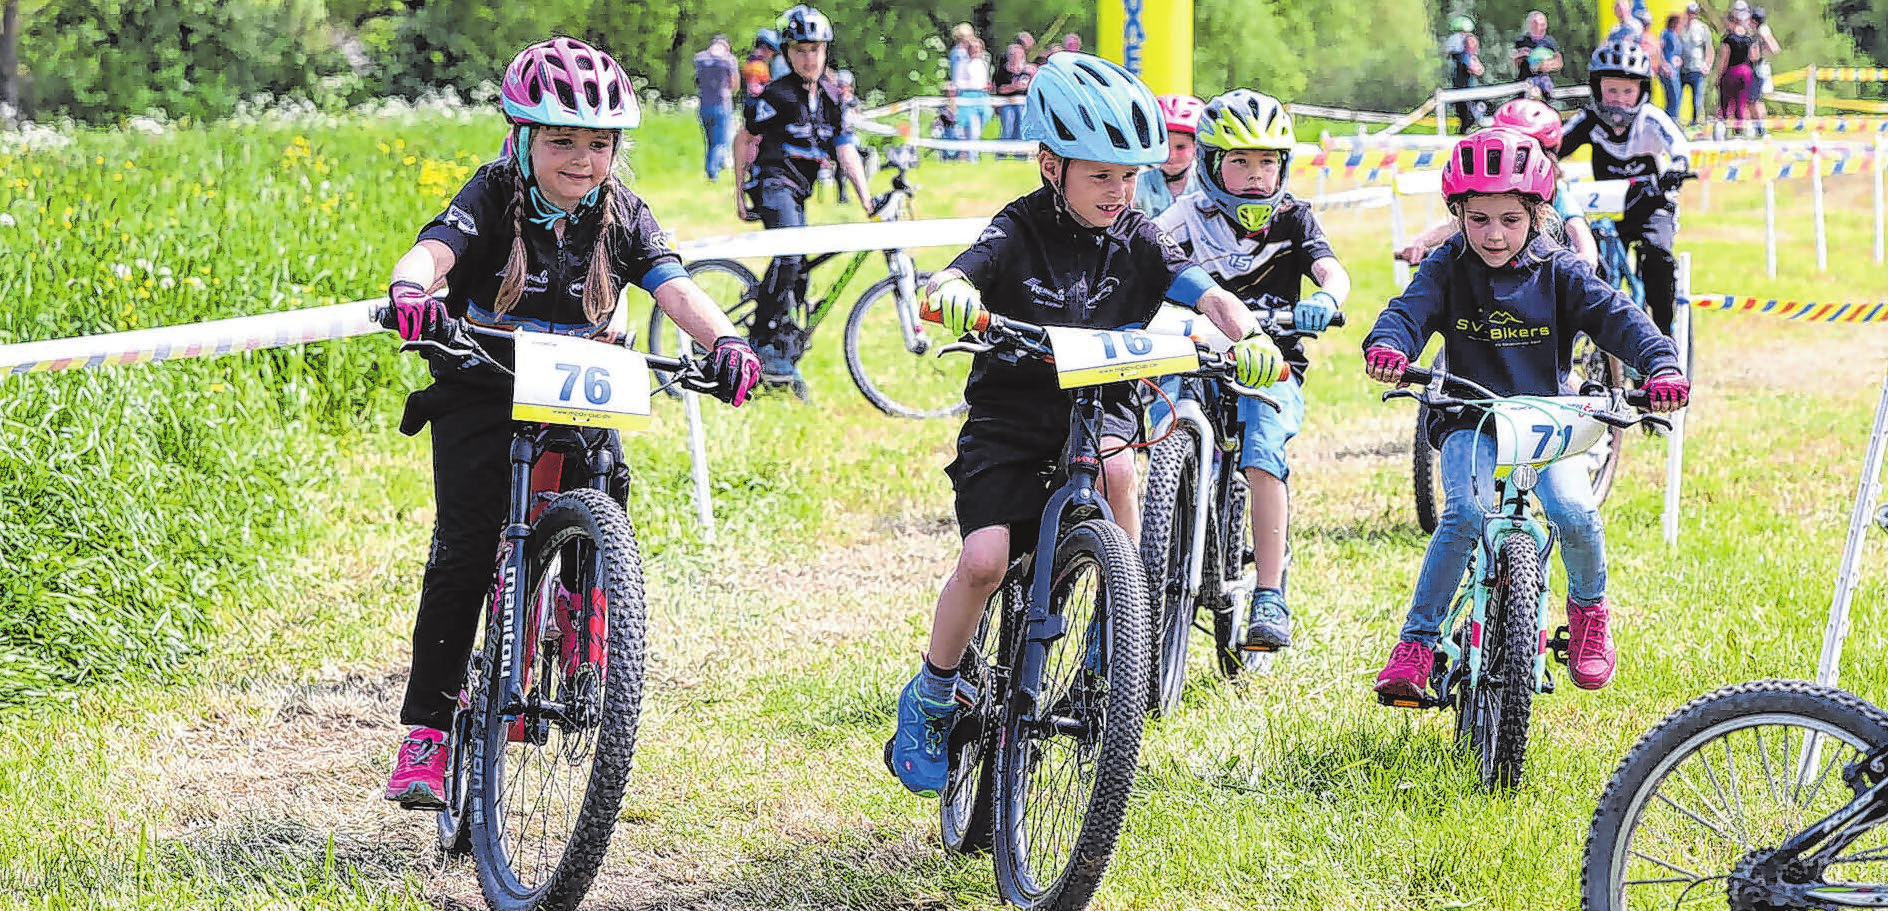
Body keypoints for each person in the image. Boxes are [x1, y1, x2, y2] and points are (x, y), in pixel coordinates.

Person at [882, 53, 1287, 797]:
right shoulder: (1018, 227)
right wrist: (950, 295)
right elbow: (958, 273)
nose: (1119, 191)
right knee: (984, 559)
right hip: (1013, 414)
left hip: (1102, 404)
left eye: (1129, 175)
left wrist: (1248, 335)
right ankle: (933, 692)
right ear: (1050, 165)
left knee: (1121, 468)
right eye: (1100, 175)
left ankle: (1116, 621)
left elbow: (1206, 293)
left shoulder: (1137, 232)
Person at [379, 37, 761, 810]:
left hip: (580, 383)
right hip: (485, 380)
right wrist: (408, 288)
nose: (582, 159)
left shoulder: (620, 212)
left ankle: (580, 598)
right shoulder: (491, 192)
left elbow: (675, 286)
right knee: (464, 549)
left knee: (605, 492)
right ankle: (425, 730)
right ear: (523, 139)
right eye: (561, 140)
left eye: (598, 143)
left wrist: (723, 340)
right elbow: (434, 251)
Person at [1362, 129, 1690, 703]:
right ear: (1457, 213)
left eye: (1511, 219)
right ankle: (1417, 644)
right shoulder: (1447, 267)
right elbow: (1406, 312)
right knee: (1463, 514)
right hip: (1469, 414)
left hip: (1548, 415)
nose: (1494, 234)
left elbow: (1617, 316)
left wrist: (1659, 365)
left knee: (1576, 511)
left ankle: (1589, 614)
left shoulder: (1559, 270)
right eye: (1479, 217)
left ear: (1538, 214)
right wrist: (1390, 347)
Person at [1152, 90, 1352, 651]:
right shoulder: (1187, 215)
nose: (1255, 176)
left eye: (1268, 161)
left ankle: (1269, 592)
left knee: (1263, 451)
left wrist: (1327, 298)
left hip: (1272, 364)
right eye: (1239, 161)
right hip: (1197, 357)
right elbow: (1144, 257)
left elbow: (1333, 272)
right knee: (1148, 425)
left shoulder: (1294, 218)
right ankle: (1138, 562)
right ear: (1212, 164)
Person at [733, 4, 874, 392]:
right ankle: (760, 342)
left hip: (799, 191)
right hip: (772, 183)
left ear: (826, 51)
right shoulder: (776, 95)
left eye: (816, 49)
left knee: (799, 270)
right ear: (787, 53)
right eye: (800, 50)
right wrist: (738, 195)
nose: (809, 58)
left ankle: (781, 344)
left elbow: (845, 148)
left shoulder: (831, 97)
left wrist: (866, 199)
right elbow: (744, 138)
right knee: (791, 255)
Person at [1562, 36, 1692, 337]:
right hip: (1607, 209)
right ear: (1598, 90)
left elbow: (1679, 147)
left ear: (1641, 92)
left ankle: (1663, 332)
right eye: (1611, 90)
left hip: (1651, 205)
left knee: (1657, 255)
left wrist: (1677, 168)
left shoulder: (1650, 119)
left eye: (1627, 91)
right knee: (1589, 262)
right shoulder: (1589, 120)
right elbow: (1554, 143)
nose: (1619, 98)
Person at [1398, 99, 1597, 270]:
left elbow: (1577, 226)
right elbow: (1454, 225)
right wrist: (1420, 242)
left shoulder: (1555, 192)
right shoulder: (1484, 191)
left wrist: (1586, 257)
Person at [1133, 93, 1203, 217]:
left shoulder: (1205, 186)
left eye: (1180, 147)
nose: (1171, 156)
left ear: (1196, 147)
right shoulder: (1138, 184)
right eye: (1164, 146)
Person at [693, 35, 740, 182]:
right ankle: (712, 172)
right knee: (721, 142)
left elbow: (697, 81)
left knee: (710, 141)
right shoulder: (728, 61)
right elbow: (734, 83)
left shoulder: (701, 59)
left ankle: (710, 168)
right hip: (722, 104)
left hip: (704, 104)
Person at [1710, 6, 1758, 136]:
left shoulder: (1728, 39)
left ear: (1732, 22)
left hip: (1733, 71)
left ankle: (1724, 128)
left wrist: (1718, 76)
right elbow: (1754, 57)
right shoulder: (1749, 38)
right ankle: (1739, 131)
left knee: (1726, 100)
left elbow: (1724, 59)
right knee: (1741, 103)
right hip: (1746, 71)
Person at [949, 33, 993, 162]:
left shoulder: (982, 64)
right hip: (967, 96)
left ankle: (972, 154)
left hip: (981, 96)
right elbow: (958, 82)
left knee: (977, 128)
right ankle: (971, 156)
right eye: (973, 48)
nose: (975, 51)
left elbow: (983, 81)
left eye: (978, 48)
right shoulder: (962, 64)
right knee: (971, 128)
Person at [1444, 16, 1486, 134]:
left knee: (1468, 111)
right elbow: (1475, 69)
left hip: (1467, 88)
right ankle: (1466, 129)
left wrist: (1475, 65)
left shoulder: (1466, 56)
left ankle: (1467, 128)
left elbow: (1478, 69)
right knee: (1464, 112)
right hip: (1461, 88)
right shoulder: (1461, 56)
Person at [1677, 2, 1715, 126]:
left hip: (1697, 69)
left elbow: (1709, 49)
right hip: (1681, 69)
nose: (1692, 15)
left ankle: (1696, 123)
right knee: (1677, 97)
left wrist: (1707, 66)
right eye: (1690, 12)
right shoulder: (1680, 27)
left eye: (1694, 13)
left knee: (1697, 100)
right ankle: (1676, 122)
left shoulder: (1703, 28)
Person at [992, 41, 1034, 149]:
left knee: (1021, 126)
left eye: (1019, 54)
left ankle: (1020, 153)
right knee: (1008, 125)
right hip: (1007, 102)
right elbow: (1000, 89)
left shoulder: (1028, 69)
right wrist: (1014, 87)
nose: (1016, 57)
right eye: (1013, 54)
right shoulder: (1002, 70)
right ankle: (1002, 152)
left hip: (1022, 102)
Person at [1510, 11, 1562, 98]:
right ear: (1531, 25)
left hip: (1544, 80)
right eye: (1538, 24)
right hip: (1526, 81)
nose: (1541, 28)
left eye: (1543, 25)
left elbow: (1559, 62)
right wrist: (1520, 54)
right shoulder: (1522, 41)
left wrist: (1548, 64)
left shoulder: (1549, 42)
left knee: (1546, 87)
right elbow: (1513, 64)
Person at [1748, 6, 1781, 135]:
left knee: (1754, 100)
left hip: (1759, 68)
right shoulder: (1762, 29)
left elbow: (1774, 48)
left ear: (1754, 20)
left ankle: (1761, 129)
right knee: (1755, 100)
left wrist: (1761, 52)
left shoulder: (1761, 30)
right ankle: (1760, 128)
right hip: (1762, 67)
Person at [1659, 14, 1686, 120]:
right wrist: (1664, 64)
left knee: (1678, 95)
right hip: (1668, 70)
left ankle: (1674, 117)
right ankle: (1670, 119)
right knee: (1672, 95)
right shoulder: (1666, 33)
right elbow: (1660, 49)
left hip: (1676, 70)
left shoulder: (1676, 35)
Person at [743, 30, 780, 98]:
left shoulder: (751, 61)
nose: (771, 54)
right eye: (772, 51)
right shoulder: (757, 66)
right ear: (766, 49)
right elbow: (754, 89)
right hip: (758, 102)